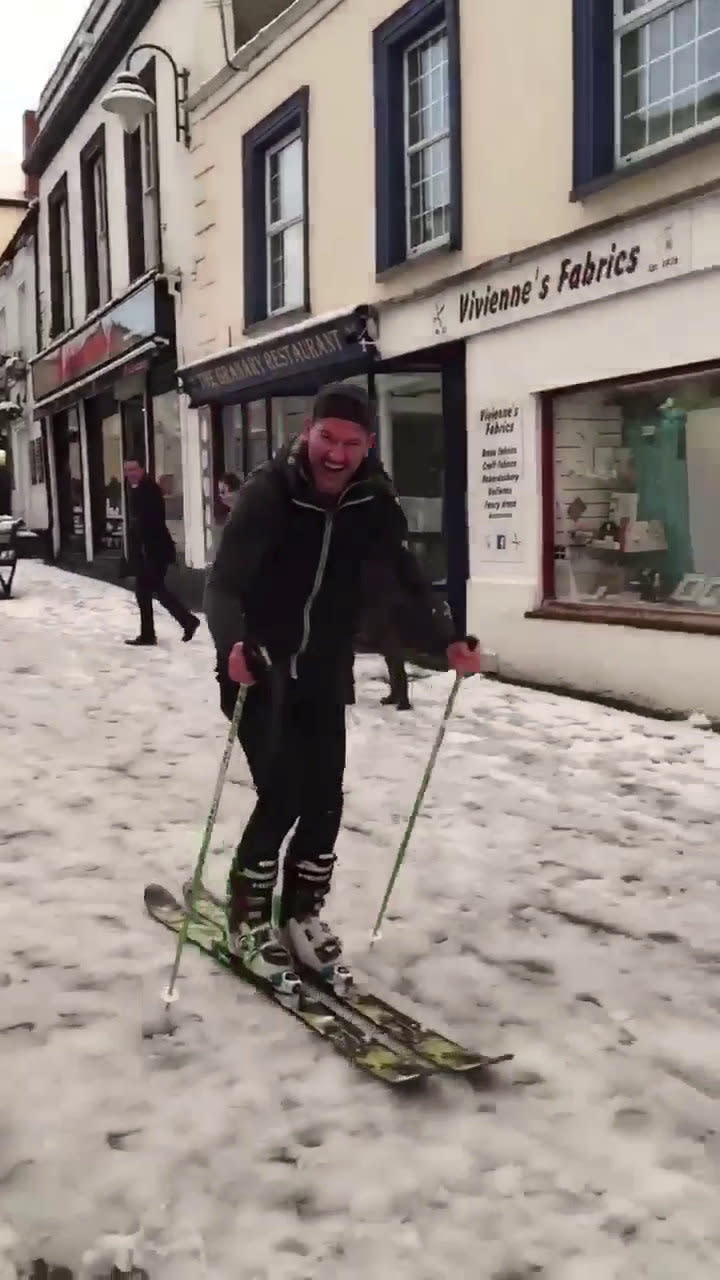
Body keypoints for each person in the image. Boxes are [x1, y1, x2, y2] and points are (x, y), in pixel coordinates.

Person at [205, 381, 482, 992]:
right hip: (260, 667)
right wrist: (233, 645)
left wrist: (446, 640)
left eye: (350, 443)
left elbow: (407, 579)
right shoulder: (268, 494)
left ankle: (300, 914)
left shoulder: (373, 502)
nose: (336, 454)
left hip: (325, 670)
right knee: (283, 794)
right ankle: (247, 919)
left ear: (367, 445)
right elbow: (222, 586)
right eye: (327, 438)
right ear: (308, 432)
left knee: (325, 799)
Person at [122, 459, 200, 647]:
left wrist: (144, 550)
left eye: (134, 469)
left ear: (142, 469)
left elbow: (150, 524)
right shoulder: (137, 487)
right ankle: (152, 633)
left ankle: (186, 621)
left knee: (155, 589)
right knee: (145, 591)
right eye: (127, 470)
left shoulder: (148, 489)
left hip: (154, 550)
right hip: (147, 550)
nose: (130, 473)